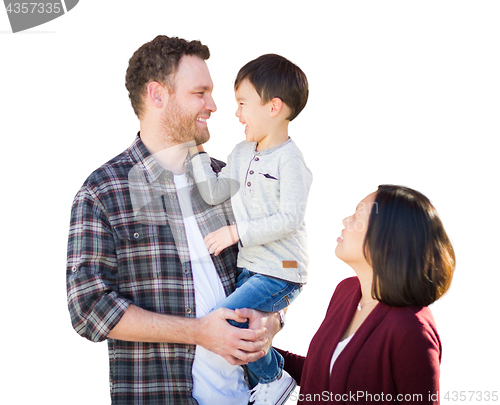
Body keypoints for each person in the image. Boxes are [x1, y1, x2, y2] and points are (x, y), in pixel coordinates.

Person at [66, 35, 282, 405]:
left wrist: (271, 320)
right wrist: (198, 332)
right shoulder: (103, 192)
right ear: (157, 95)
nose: (214, 105)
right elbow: (88, 308)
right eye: (200, 92)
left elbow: (281, 264)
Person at [188, 53, 312, 405]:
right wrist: (194, 151)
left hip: (282, 271)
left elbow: (289, 218)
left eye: (242, 103)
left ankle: (274, 377)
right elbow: (214, 192)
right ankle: (270, 376)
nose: (237, 113)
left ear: (273, 107)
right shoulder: (241, 154)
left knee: (223, 321)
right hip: (252, 268)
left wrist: (237, 233)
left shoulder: (291, 161)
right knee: (243, 328)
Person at [276, 185, 455, 404]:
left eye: (357, 215)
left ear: (387, 237)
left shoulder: (413, 330)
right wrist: (260, 352)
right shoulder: (346, 291)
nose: (345, 220)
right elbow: (325, 374)